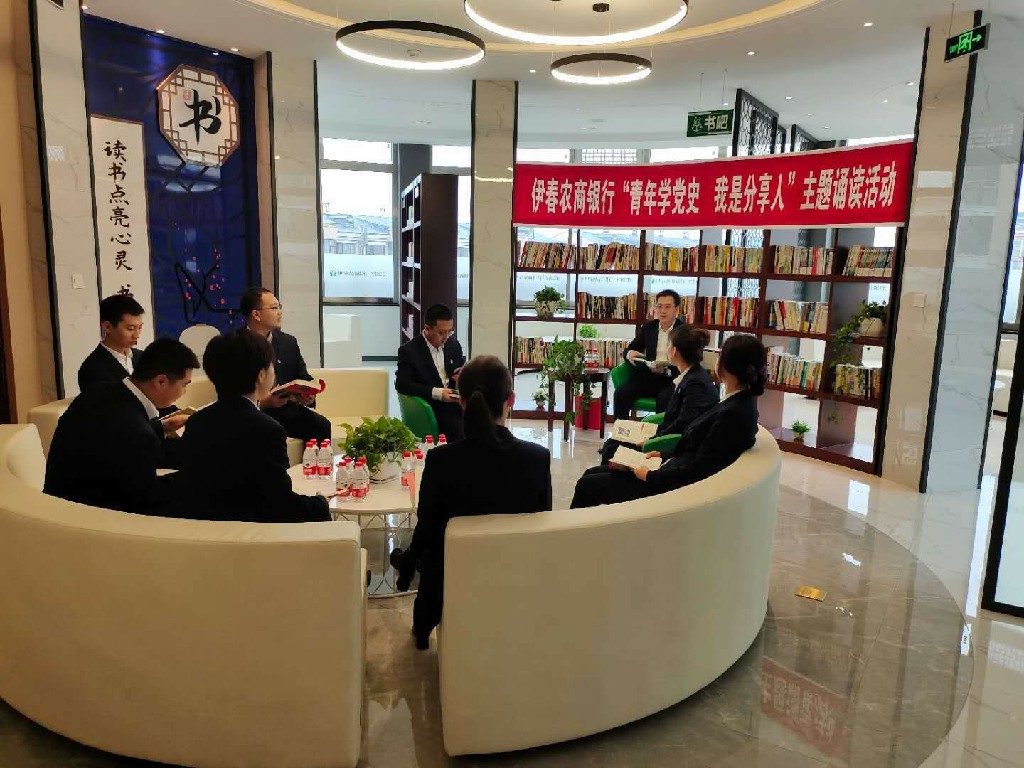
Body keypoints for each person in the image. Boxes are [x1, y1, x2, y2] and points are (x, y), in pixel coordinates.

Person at [390, 355, 551, 649]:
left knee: (433, 549)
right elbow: (542, 521)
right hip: (514, 570)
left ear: (461, 402)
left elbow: (427, 527)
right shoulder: (537, 459)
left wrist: (409, 561)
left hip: (451, 573)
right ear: (511, 399)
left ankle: (423, 628)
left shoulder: (441, 461)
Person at [571, 333, 765, 509]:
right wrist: (662, 453)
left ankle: (575, 533)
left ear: (727, 367)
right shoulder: (737, 403)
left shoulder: (733, 413)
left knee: (587, 484)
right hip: (668, 467)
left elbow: (699, 468)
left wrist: (649, 475)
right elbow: (696, 446)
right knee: (591, 473)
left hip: (667, 485)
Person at [177, 330, 331, 523]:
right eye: (271, 365)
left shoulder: (196, 422)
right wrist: (320, 503)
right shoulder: (268, 430)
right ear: (261, 375)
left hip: (206, 526)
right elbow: (281, 505)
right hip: (254, 530)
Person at [44, 339, 199, 515]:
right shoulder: (137, 433)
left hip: (56, 504)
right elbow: (147, 498)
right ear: (160, 381)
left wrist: (161, 427)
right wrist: (198, 478)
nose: (184, 392)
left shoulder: (98, 392)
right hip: (86, 518)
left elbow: (115, 439)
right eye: (184, 385)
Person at [599, 325, 718, 465]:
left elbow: (682, 425)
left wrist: (651, 439)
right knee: (613, 441)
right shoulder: (692, 375)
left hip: (670, 444)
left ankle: (613, 474)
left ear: (674, 351)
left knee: (611, 448)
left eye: (669, 345)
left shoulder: (696, 384)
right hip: (664, 431)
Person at [240, 286, 332, 442]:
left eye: (279, 307)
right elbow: (228, 393)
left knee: (321, 424)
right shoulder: (234, 344)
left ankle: (317, 459)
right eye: (274, 308)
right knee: (270, 429)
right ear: (256, 315)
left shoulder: (288, 342)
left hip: (286, 410)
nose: (280, 313)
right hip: (251, 412)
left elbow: (303, 377)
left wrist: (308, 395)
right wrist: (262, 403)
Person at [395, 303, 467, 441]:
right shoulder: (409, 351)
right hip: (431, 404)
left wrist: (462, 376)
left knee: (482, 416)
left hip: (455, 400)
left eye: (450, 331)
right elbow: (402, 384)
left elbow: (459, 368)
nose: (446, 337)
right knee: (457, 426)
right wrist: (437, 393)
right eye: (441, 332)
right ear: (427, 328)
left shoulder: (453, 345)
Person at [614, 289, 685, 418]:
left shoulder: (684, 331)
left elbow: (687, 363)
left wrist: (665, 371)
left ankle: (658, 431)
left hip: (672, 379)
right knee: (621, 394)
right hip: (649, 375)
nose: (662, 311)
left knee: (665, 400)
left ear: (676, 309)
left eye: (667, 307)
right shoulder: (649, 327)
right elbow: (629, 349)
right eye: (659, 306)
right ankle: (620, 430)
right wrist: (630, 354)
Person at [78, 294, 146, 392]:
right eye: (130, 329)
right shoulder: (92, 369)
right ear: (107, 327)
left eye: (140, 327)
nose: (137, 335)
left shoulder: (143, 358)